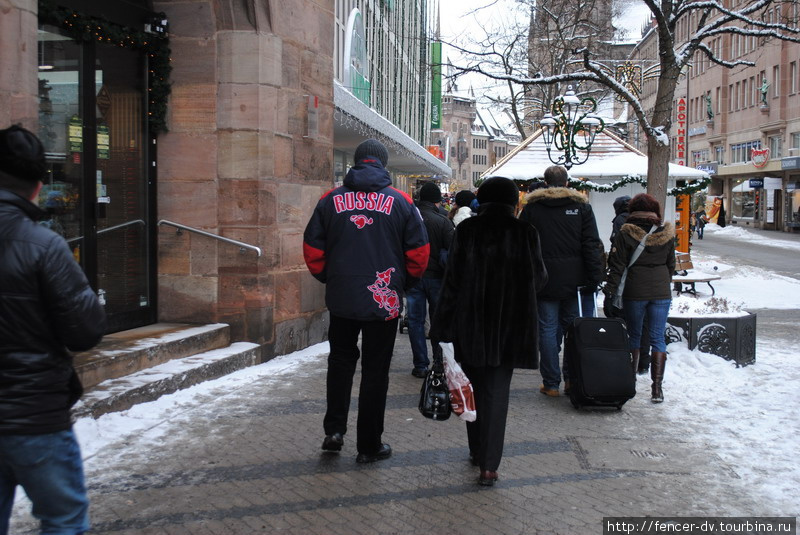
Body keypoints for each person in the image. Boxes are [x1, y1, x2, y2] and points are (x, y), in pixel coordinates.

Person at [0, 124, 107, 535]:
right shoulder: (42, 245)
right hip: (33, 413)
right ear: (38, 185)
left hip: (31, 408)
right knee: (63, 516)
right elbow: (85, 330)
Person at [303, 138, 429, 463]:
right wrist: (403, 283)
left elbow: (313, 249)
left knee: (340, 362)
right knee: (376, 372)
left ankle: (334, 430)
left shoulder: (330, 200)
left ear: (356, 163)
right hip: (383, 300)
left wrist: (331, 279)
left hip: (343, 298)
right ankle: (369, 445)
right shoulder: (401, 202)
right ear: (383, 165)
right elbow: (418, 253)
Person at [430, 177, 547, 486]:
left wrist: (440, 327)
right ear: (513, 202)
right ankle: (489, 465)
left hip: (470, 325)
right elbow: (539, 279)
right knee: (496, 394)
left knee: (472, 386)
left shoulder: (468, 230)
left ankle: (476, 450)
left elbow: (452, 282)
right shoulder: (526, 232)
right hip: (510, 328)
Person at [519, 165, 604, 397]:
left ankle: (551, 382)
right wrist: (594, 277)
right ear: (567, 182)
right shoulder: (582, 208)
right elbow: (591, 244)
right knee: (573, 330)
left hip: (543, 280)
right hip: (575, 282)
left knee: (546, 329)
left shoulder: (532, 209)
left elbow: (522, 245)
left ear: (545, 182)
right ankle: (572, 379)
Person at [603, 193, 675, 403]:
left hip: (635, 291)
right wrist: (663, 282)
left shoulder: (626, 233)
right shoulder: (667, 233)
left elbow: (617, 266)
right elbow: (671, 264)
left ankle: (631, 382)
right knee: (657, 338)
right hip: (661, 292)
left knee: (634, 335)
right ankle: (657, 389)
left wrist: (610, 291)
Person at [407, 182, 454, 377]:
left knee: (415, 321)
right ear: (437, 201)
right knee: (438, 320)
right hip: (436, 278)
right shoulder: (443, 221)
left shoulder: (409, 218)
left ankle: (420, 364)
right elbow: (452, 251)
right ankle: (438, 362)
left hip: (414, 277)